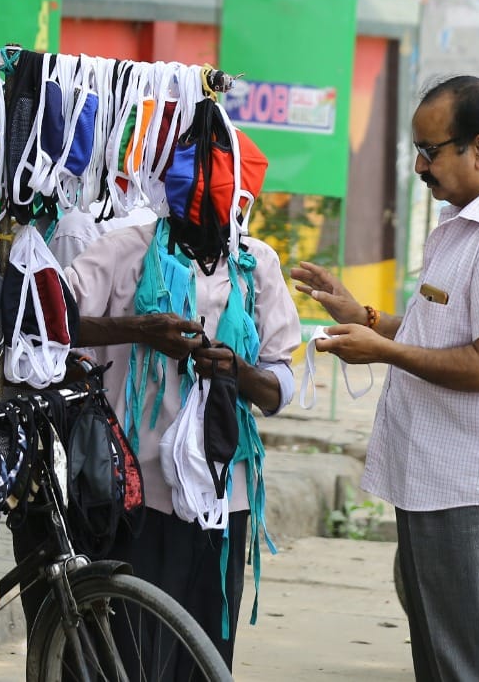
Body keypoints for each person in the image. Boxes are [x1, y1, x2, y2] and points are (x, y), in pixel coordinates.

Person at [293, 75, 479, 682]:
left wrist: (383, 353)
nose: (419, 165)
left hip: (471, 482)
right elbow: (436, 333)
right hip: (437, 474)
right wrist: (362, 316)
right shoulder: (467, 221)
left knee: (473, 665)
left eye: (430, 150)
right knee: (442, 660)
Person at [62, 212, 301, 671]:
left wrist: (238, 373)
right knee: (133, 657)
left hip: (223, 504)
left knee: (204, 656)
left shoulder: (257, 265)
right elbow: (50, 320)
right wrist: (137, 328)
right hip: (137, 502)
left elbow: (280, 386)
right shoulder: (124, 250)